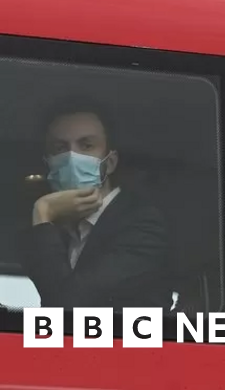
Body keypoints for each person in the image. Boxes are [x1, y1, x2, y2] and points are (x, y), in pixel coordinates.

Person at [21, 96, 172, 311]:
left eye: (86, 145)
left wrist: (43, 212)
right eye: (60, 148)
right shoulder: (58, 232)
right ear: (49, 164)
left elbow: (66, 308)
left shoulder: (143, 222)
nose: (72, 157)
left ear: (109, 162)